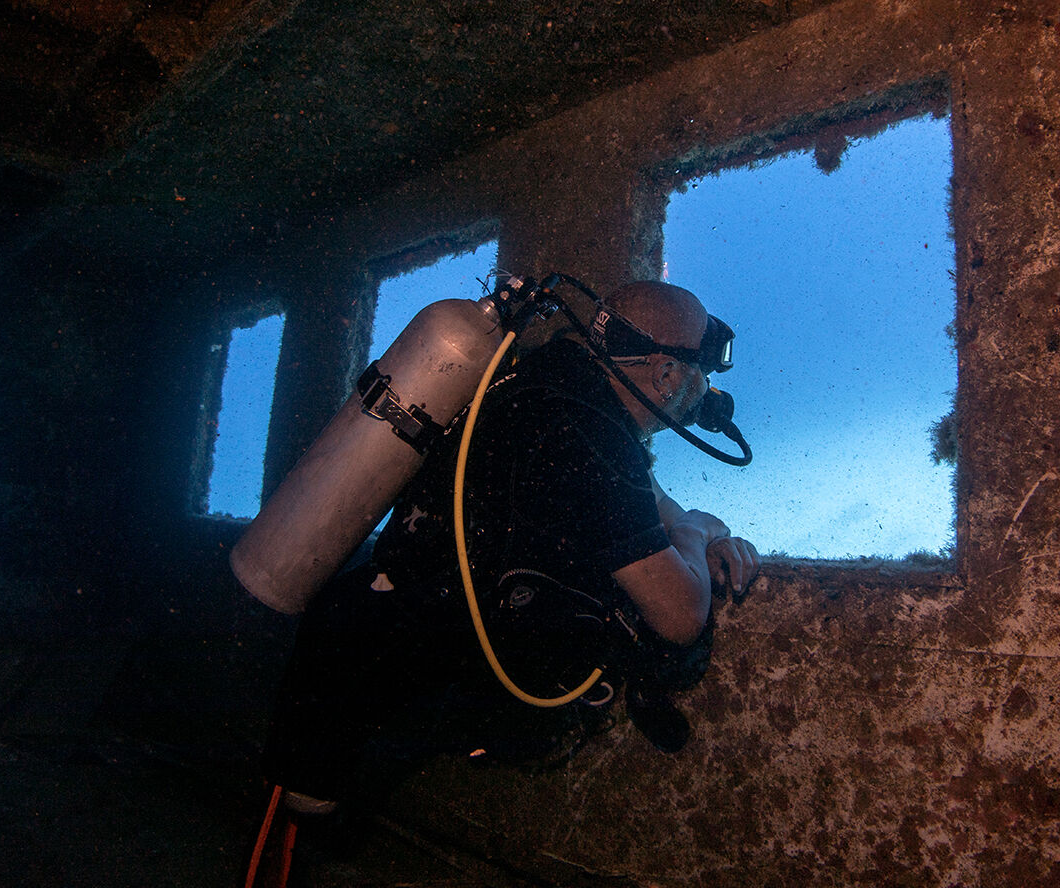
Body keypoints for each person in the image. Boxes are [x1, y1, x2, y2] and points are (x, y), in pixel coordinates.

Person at [243, 280, 760, 886]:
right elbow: (679, 615)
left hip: (361, 627)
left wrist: (694, 524)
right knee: (297, 838)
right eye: (700, 373)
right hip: (395, 677)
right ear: (668, 372)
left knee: (307, 817)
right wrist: (698, 533)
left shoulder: (543, 389)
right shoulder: (588, 438)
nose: (704, 393)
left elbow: (645, 500)